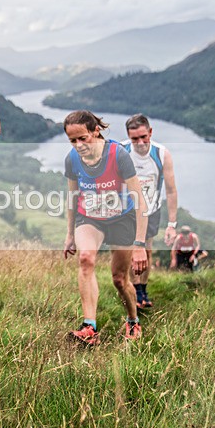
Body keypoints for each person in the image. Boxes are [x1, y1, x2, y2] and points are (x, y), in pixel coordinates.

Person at [63, 110, 149, 345]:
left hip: (121, 219)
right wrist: (70, 235)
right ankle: (89, 327)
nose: (78, 145)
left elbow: (139, 200)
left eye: (83, 138)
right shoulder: (72, 159)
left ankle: (133, 320)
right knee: (86, 259)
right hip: (89, 218)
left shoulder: (118, 155)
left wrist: (140, 244)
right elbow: (72, 197)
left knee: (120, 279)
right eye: (73, 140)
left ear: (95, 131)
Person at [122, 114, 179, 308]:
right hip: (127, 211)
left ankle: (143, 289)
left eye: (143, 137)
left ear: (150, 132)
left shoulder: (161, 153)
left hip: (152, 210)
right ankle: (136, 291)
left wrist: (172, 224)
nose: (139, 142)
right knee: (131, 251)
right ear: (128, 137)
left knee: (146, 250)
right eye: (134, 138)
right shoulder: (122, 151)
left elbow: (171, 190)